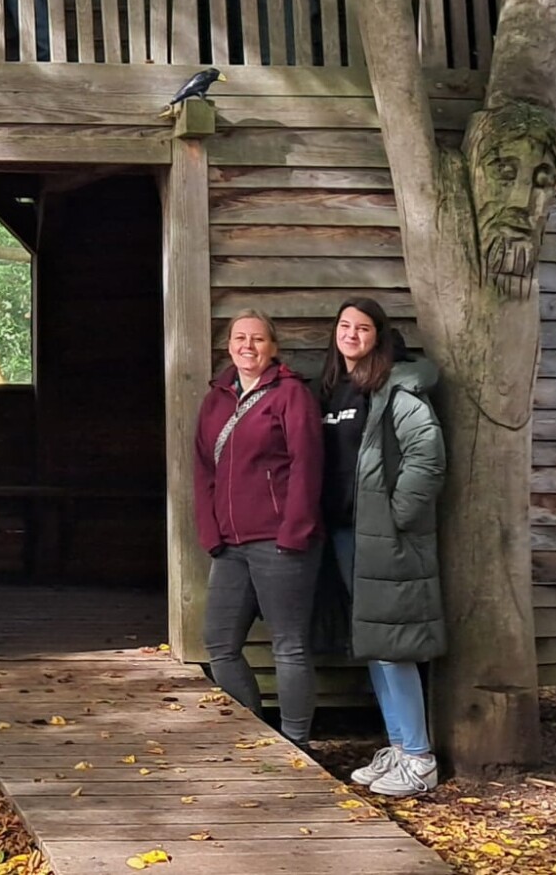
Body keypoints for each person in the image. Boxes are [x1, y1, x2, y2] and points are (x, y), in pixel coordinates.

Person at [314, 298, 446, 797]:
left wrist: (395, 518)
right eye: (344, 325)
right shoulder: (331, 389)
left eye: (362, 327)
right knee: (374, 642)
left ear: (378, 335)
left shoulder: (398, 389)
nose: (351, 334)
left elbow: (427, 456)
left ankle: (419, 756)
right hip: (344, 535)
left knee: (394, 647)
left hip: (383, 538)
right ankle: (397, 744)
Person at [192, 309, 324, 747]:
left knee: (289, 645)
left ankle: (298, 741)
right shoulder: (216, 398)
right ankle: (258, 732)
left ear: (274, 347)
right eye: (239, 338)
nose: (248, 346)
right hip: (229, 545)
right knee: (219, 643)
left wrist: (294, 531)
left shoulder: (291, 395)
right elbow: (203, 469)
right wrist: (209, 531)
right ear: (228, 345)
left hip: (280, 540)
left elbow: (308, 465)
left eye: (258, 339)